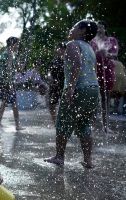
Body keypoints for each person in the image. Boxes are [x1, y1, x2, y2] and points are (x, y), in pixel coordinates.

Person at [44, 20, 99, 169]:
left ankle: (59, 156)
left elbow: (77, 64)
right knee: (84, 123)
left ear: (82, 31)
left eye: (74, 27)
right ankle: (88, 160)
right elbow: (92, 70)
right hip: (93, 88)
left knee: (63, 121)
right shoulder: (90, 48)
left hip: (79, 88)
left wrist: (70, 87)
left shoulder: (72, 45)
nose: (71, 29)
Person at [90, 21, 119, 134]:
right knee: (93, 100)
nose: (99, 30)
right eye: (97, 28)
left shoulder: (111, 40)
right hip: (94, 71)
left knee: (105, 99)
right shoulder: (91, 41)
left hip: (107, 71)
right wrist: (97, 52)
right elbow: (89, 54)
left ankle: (106, 126)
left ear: (105, 29)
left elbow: (115, 54)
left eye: (101, 28)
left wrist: (106, 54)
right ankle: (91, 125)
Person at [0, 36, 24, 130]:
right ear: (12, 44)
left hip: (2, 81)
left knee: (4, 102)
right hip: (7, 82)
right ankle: (17, 125)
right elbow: (8, 70)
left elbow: (13, 69)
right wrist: (11, 84)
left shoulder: (5, 53)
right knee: (14, 103)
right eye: (17, 44)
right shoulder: (10, 54)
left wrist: (19, 67)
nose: (18, 45)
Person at [46, 42, 66, 125]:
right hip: (54, 85)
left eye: (58, 48)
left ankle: (65, 122)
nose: (56, 50)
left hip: (64, 85)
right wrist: (49, 76)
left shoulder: (67, 59)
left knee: (65, 105)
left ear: (63, 49)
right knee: (51, 105)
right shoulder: (54, 60)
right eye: (56, 48)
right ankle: (55, 123)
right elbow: (49, 71)